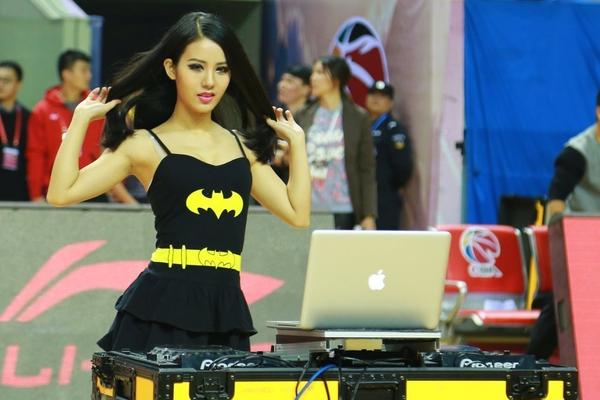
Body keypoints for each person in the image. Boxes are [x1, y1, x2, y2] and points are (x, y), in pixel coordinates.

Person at [46, 12, 310, 352]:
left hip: (226, 308)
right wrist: (80, 121)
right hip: (161, 308)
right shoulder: (143, 144)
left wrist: (298, 145)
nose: (209, 81)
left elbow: (297, 214)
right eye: (196, 67)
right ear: (171, 69)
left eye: (221, 69)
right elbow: (61, 193)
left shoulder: (242, 147)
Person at [527, 90, 600, 359]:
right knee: (563, 300)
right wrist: (563, 236)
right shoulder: (577, 152)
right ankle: (531, 363)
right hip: (581, 243)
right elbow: (556, 200)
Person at [27, 50, 136, 204]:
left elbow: (108, 148)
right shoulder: (42, 110)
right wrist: (35, 195)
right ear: (67, 74)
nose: (89, 76)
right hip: (57, 188)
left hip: (93, 186)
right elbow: (36, 155)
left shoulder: (97, 105)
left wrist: (116, 187)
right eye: (84, 70)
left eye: (89, 71)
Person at [295, 55, 377, 230]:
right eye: (313, 73)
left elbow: (367, 169)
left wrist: (368, 214)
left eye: (320, 72)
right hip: (307, 208)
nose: (313, 78)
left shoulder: (358, 117)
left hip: (344, 208)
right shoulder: (303, 115)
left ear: (336, 79)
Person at [365, 81, 413, 230]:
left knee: (384, 237)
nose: (376, 99)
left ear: (390, 103)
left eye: (382, 96)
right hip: (363, 194)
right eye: (372, 94)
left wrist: (391, 186)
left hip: (385, 196)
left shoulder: (394, 129)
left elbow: (403, 165)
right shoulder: (361, 125)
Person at [272, 64, 312, 182]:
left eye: (289, 81)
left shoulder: (314, 117)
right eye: (282, 80)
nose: (282, 85)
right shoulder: (275, 113)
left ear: (306, 89)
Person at [0, 61, 30, 201]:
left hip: (21, 192)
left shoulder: (28, 117)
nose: (1, 84)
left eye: (6, 80)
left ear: (18, 84)